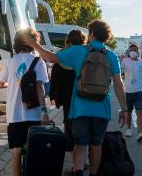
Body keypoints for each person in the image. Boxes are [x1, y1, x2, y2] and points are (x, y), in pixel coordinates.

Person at [22, 19, 127, 176]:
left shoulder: (79, 50)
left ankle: (78, 172)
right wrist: (124, 109)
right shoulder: (112, 55)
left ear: (91, 34)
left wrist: (34, 45)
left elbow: (51, 58)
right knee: (96, 144)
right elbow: (118, 84)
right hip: (102, 108)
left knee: (80, 143)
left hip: (80, 108)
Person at [0, 27, 49, 176]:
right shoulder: (38, 62)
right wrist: (44, 113)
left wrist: (13, 83)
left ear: (16, 43)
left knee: (15, 150)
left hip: (14, 114)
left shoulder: (11, 62)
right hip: (34, 114)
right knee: (34, 149)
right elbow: (40, 89)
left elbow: (0, 84)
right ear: (34, 42)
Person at [49, 29, 87, 175]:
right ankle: (82, 162)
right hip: (85, 99)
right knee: (83, 131)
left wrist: (53, 95)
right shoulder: (86, 54)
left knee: (70, 133)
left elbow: (55, 78)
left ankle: (75, 166)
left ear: (68, 41)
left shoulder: (62, 56)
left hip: (68, 101)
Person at [121, 44, 142, 142]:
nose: (133, 51)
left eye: (135, 50)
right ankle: (128, 129)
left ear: (138, 51)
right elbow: (119, 71)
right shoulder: (125, 61)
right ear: (129, 51)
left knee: (139, 112)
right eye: (131, 50)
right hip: (128, 91)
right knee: (128, 112)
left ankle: (140, 133)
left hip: (139, 91)